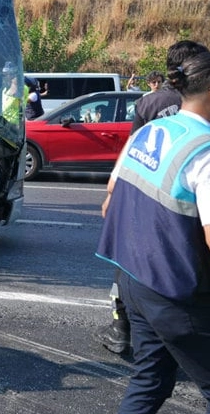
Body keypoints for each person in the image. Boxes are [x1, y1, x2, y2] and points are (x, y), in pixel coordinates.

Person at [96, 52, 210, 413]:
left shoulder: (152, 131)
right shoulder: (204, 150)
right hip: (177, 293)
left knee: (152, 380)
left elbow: (111, 199)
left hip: (135, 280)